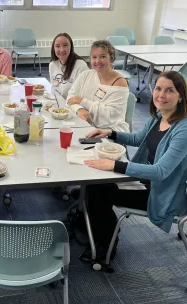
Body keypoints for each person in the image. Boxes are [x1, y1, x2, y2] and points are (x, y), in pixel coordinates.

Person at [81, 71, 187, 262]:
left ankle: (105, 247)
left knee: (99, 192)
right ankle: (98, 227)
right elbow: (138, 139)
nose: (161, 95)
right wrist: (110, 133)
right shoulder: (159, 116)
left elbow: (160, 171)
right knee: (94, 183)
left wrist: (117, 165)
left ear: (180, 97)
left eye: (170, 90)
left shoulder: (183, 130)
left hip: (163, 192)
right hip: (147, 180)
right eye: (158, 88)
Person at [67, 40, 129, 132]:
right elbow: (70, 99)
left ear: (111, 58)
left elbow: (109, 117)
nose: (97, 61)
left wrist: (82, 101)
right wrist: (79, 109)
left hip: (109, 131)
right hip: (85, 125)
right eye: (94, 57)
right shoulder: (85, 75)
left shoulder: (120, 83)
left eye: (103, 56)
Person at [49, 33, 88, 99]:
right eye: (57, 46)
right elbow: (54, 89)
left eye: (65, 45)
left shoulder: (81, 66)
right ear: (53, 48)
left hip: (75, 106)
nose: (61, 50)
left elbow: (85, 94)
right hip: (58, 104)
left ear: (71, 47)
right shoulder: (52, 65)